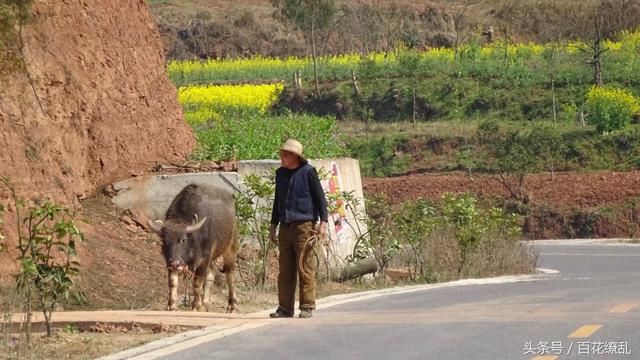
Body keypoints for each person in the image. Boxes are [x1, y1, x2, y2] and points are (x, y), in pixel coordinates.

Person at [269, 139, 329, 319]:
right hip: (286, 226)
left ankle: (307, 306)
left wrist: (323, 222)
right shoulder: (280, 174)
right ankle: (285, 308)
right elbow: (277, 201)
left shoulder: (308, 172)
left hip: (305, 226)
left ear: (295, 156)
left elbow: (320, 198)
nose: (282, 157)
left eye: (285, 154)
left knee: (305, 267)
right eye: (282, 153)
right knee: (285, 271)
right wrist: (273, 224)